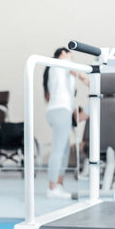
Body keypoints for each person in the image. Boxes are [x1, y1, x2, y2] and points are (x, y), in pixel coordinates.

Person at [42, 47, 88, 199]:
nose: (71, 58)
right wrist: (86, 79)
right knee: (58, 150)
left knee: (65, 151)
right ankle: (52, 187)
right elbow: (77, 73)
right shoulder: (58, 64)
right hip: (59, 111)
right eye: (70, 55)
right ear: (62, 54)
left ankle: (59, 186)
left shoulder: (59, 70)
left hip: (63, 111)